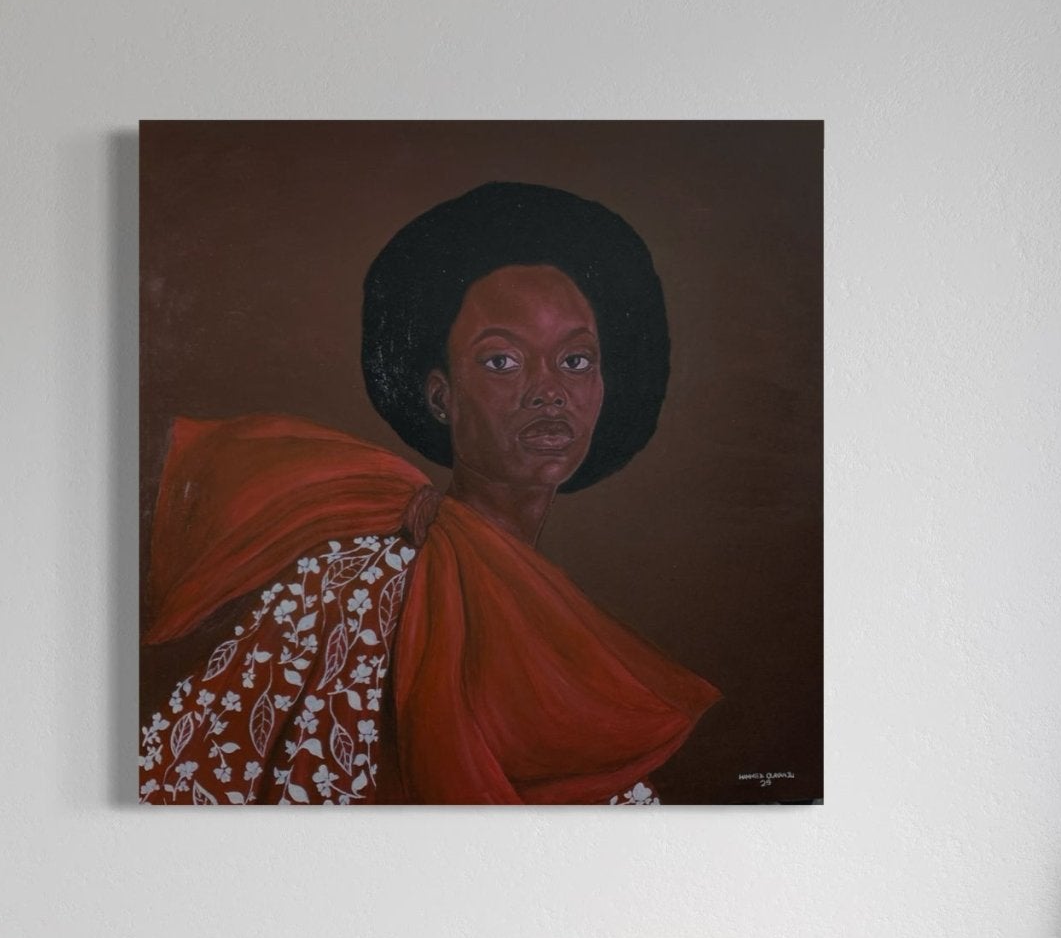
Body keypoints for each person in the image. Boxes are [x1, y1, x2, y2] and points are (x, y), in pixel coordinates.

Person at [139, 181, 719, 805]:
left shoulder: (559, 619)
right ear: (442, 395)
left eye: (576, 361)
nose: (549, 391)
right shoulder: (351, 590)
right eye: (502, 361)